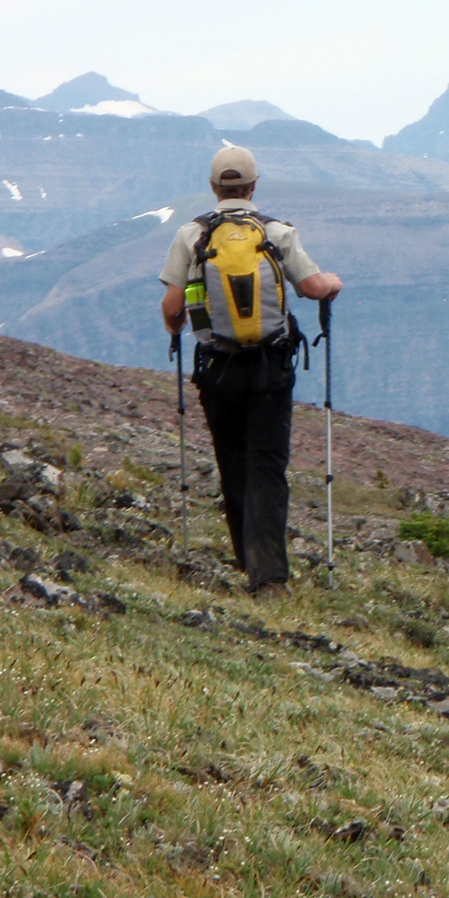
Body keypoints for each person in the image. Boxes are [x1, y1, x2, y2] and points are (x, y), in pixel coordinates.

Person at [158, 146, 342, 597]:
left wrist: (177, 326)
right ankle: (270, 578)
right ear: (253, 186)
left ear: (214, 187)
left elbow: (172, 305)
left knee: (232, 462)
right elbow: (314, 287)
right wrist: (333, 283)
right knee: (267, 467)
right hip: (270, 369)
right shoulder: (276, 232)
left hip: (217, 370)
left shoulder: (191, 235)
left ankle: (246, 560)